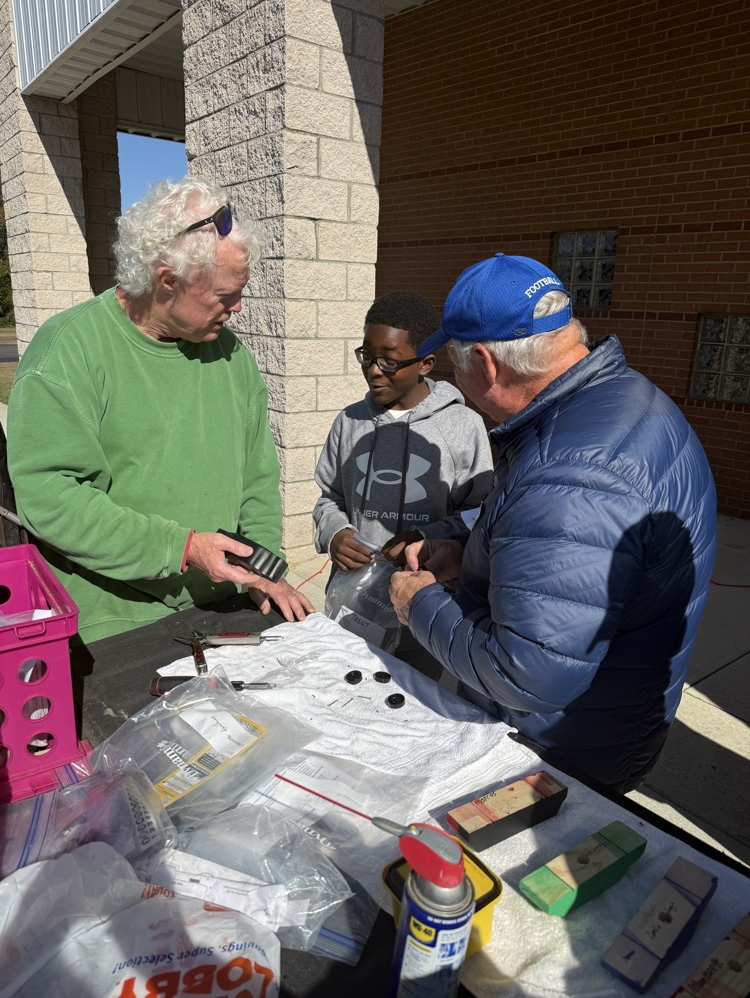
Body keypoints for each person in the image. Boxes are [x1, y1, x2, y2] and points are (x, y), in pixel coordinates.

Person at [390, 253, 717, 792]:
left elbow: (526, 675)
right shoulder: (624, 398)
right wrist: (475, 550)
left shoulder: (571, 473)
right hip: (611, 716)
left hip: (558, 751)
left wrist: (419, 603)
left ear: (485, 364)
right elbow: (569, 553)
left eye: (452, 361)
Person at [7, 177, 312, 646]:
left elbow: (257, 479)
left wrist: (263, 565)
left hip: (221, 606)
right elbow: (51, 498)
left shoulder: (233, 357)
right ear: (167, 280)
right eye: (224, 296)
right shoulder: (68, 351)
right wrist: (182, 548)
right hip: (113, 624)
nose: (239, 307)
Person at [313, 292, 493, 669]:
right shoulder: (349, 422)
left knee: (412, 699)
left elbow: (481, 514)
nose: (373, 370)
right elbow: (329, 496)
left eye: (389, 362)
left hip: (424, 605)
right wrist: (334, 533)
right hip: (353, 597)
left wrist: (428, 536)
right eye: (367, 356)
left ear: (425, 363)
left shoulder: (463, 427)